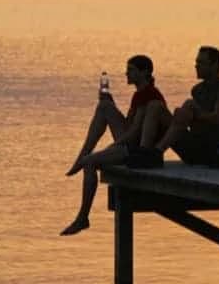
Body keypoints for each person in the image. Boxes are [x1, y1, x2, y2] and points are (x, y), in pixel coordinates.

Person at [61, 55, 166, 236]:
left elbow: (134, 134)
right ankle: (82, 156)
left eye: (131, 69)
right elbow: (132, 126)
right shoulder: (139, 94)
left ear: (145, 72)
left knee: (90, 163)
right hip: (130, 142)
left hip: (136, 151)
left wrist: (111, 148)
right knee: (104, 106)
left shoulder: (149, 95)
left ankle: (83, 217)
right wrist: (111, 102)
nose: (126, 73)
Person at [153, 45, 219, 164]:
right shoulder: (197, 90)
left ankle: (157, 152)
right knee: (156, 107)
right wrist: (182, 117)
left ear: (215, 65)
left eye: (202, 62)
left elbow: (218, 118)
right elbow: (195, 123)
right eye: (197, 62)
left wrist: (193, 114)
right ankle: (148, 151)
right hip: (197, 146)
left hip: (218, 151)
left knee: (189, 104)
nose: (196, 66)